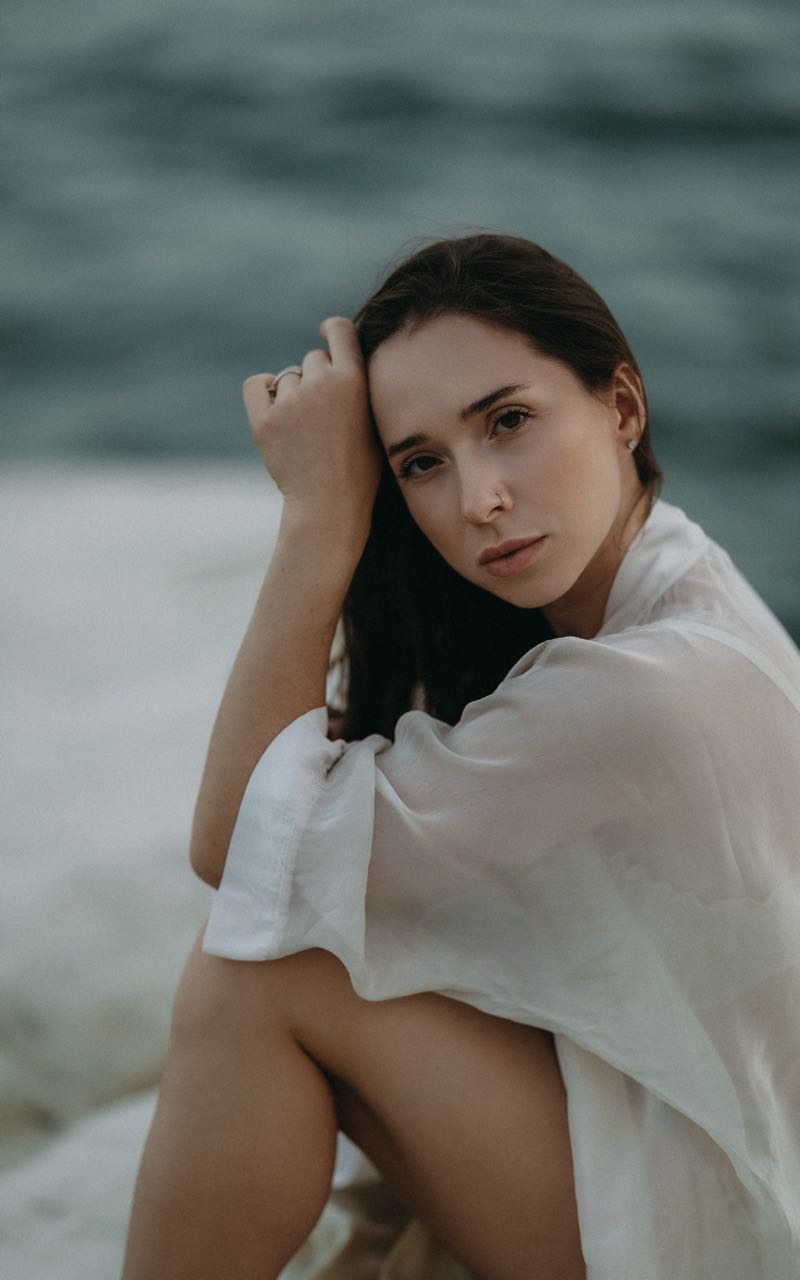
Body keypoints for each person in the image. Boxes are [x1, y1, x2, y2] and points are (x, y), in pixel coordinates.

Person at [120, 235, 800, 1280]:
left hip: (723, 1234)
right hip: (716, 1153)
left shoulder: (637, 694)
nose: (478, 497)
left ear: (621, 406)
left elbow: (241, 848)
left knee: (251, 974)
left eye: (509, 421)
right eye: (421, 463)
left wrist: (317, 515)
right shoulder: (672, 574)